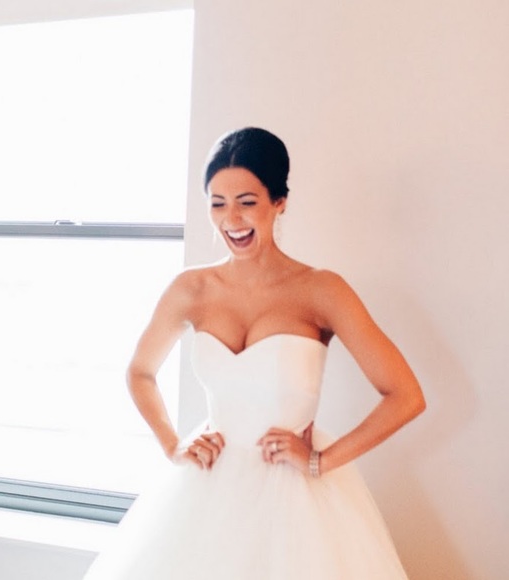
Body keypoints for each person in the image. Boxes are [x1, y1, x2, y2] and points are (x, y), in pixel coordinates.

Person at [83, 127, 426, 579]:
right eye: (217, 204)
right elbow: (140, 372)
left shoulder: (322, 290)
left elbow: (406, 396)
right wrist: (173, 444)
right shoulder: (191, 289)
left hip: (295, 503)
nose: (231, 220)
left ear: (279, 201)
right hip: (206, 491)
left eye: (246, 202)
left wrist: (321, 460)